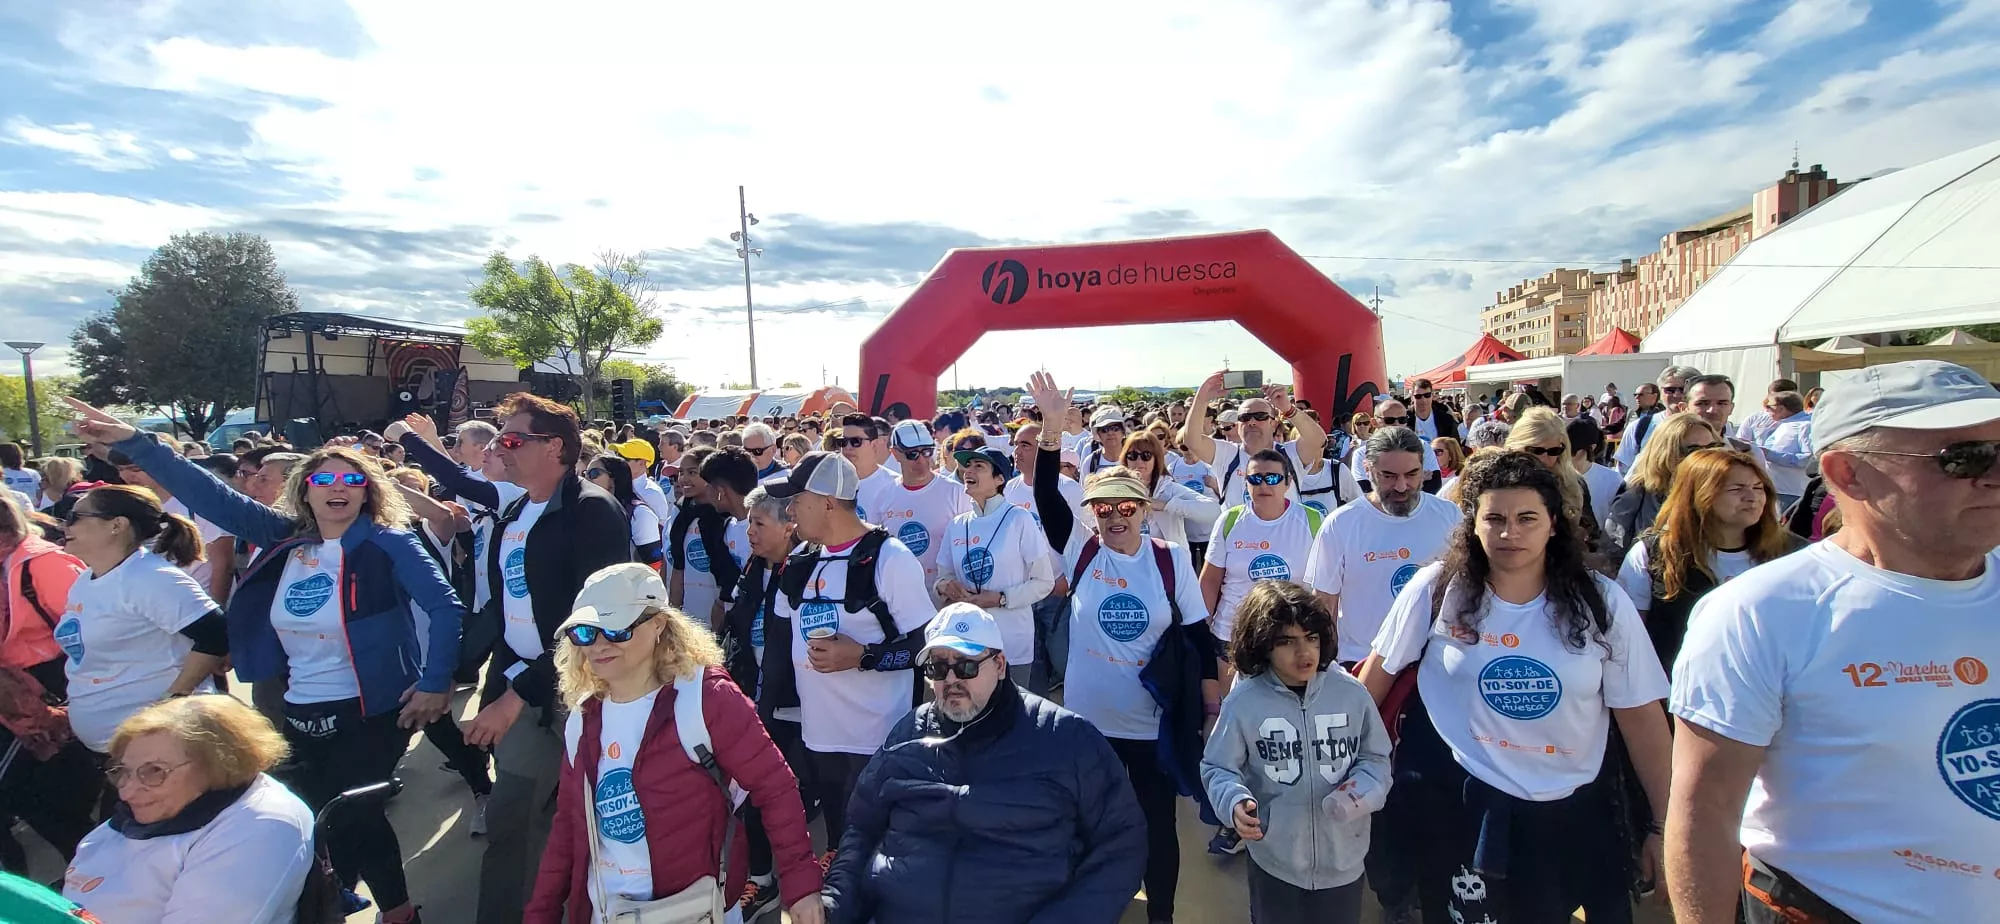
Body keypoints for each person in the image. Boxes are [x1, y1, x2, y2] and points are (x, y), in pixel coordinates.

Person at [75, 408, 466, 924]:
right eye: (323, 478)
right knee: (336, 816)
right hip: (299, 705)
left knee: (345, 815)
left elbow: (445, 607)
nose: (338, 488)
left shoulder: (388, 542)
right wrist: (137, 441)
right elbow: (209, 495)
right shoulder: (285, 536)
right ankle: (370, 904)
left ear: (368, 490)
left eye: (352, 479)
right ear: (305, 490)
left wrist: (435, 683)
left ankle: (362, 907)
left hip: (373, 706)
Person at [1666, 361, 2000, 924]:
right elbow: (1705, 814)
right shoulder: (1760, 611)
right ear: (1848, 474)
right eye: (1964, 459)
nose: (1992, 476)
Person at [1360, 452, 1673, 924]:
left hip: (1572, 814)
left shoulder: (1602, 601)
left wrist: (1663, 826)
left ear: (1554, 523)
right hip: (1459, 808)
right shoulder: (1436, 590)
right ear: (1473, 524)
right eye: (1495, 518)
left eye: (1527, 517)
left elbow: (1643, 721)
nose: (1510, 533)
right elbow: (1371, 689)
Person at [524, 564, 824, 924]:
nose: (599, 645)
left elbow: (775, 786)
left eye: (617, 629)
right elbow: (569, 829)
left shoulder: (707, 698)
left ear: (658, 624)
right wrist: (539, 913)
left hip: (699, 912)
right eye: (584, 632)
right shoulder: (583, 718)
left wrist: (801, 887)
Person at [823, 603, 1145, 923]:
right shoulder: (907, 733)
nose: (951, 680)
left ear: (1001, 665)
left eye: (966, 666)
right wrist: (835, 903)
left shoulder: (1067, 738)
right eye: (937, 668)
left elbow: (1121, 843)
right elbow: (862, 828)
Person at [440, 393, 632, 924]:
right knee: (513, 821)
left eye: (513, 439)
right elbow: (505, 614)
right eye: (501, 437)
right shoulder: (514, 513)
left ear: (556, 448)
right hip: (525, 688)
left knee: (599, 824)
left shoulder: (593, 511)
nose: (501, 448)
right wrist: (460, 675)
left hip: (586, 695)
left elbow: (597, 623)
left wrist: (512, 698)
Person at [1063, 468, 1219, 924]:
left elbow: (1198, 637)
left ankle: (1162, 916)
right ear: (1092, 513)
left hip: (1154, 725)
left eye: (1127, 507)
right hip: (1090, 726)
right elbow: (1050, 504)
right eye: (1103, 507)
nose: (1115, 516)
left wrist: (1210, 710)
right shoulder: (1081, 551)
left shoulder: (1170, 561)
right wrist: (1051, 435)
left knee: (1158, 825)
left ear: (1145, 511)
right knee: (1095, 825)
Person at [764, 451, 933, 860]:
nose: (789, 510)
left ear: (826, 502)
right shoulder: (799, 563)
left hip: (877, 740)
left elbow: (926, 651)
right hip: (818, 737)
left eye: (795, 500)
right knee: (839, 843)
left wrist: (863, 656)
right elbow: (777, 650)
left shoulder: (890, 558)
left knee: (881, 848)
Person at [1202, 582, 1391, 924]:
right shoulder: (1245, 702)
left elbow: (1376, 758)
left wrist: (1364, 789)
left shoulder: (1351, 694)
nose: (1304, 652)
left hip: (1344, 864)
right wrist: (1233, 801)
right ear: (1262, 645)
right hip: (1275, 865)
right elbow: (1218, 767)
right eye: (1286, 641)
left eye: (1312, 638)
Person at [62, 695, 315, 924]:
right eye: (123, 772)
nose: (127, 792)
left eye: (154, 772)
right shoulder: (152, 810)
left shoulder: (261, 823)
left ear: (219, 763)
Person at [55, 485, 227, 754]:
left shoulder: (150, 577)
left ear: (117, 525)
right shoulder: (85, 579)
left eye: (74, 516)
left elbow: (216, 634)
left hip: (160, 749)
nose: (64, 525)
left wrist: (173, 702)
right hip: (111, 747)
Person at [1616, 448, 1801, 674]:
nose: (1752, 498)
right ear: (1699, 493)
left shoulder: (1794, 554)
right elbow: (1628, 639)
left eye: (1758, 488)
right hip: (1678, 692)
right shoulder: (1654, 552)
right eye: (1736, 489)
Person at [1305, 426, 1459, 667]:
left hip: (1434, 661)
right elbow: (1325, 603)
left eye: (1412, 474)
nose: (1401, 486)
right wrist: (1325, 666)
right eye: (1388, 476)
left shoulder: (1449, 515)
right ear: (1367, 469)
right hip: (1361, 661)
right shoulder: (1341, 523)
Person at [936, 447, 1054, 688]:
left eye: (979, 466)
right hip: (967, 642)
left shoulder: (1019, 519)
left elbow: (1044, 582)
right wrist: (946, 587)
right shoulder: (957, 525)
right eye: (967, 466)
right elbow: (942, 577)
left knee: (1012, 717)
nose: (968, 471)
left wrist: (1001, 598)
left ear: (1000, 479)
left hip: (1011, 642)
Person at [1201, 449, 1321, 655]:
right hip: (1232, 635)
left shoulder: (1313, 521)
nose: (1264, 485)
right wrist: (1200, 632)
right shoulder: (1229, 520)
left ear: (1288, 482)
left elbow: (1325, 586)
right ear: (1246, 483)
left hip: (1292, 638)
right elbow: (1210, 580)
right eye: (1255, 478)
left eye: (1273, 478)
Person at [1181, 373, 1331, 508]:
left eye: (1260, 416)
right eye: (1245, 418)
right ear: (1238, 426)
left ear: (1274, 424)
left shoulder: (1289, 453)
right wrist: (1202, 397)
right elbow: (1192, 441)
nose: (1252, 422)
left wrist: (1288, 409)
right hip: (1240, 538)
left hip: (1286, 535)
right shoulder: (1227, 454)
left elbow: (1318, 441)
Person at [1603, 414, 1723, 561]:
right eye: (1693, 449)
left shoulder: (1729, 490)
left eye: (1712, 447)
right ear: (1668, 452)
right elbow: (1613, 550)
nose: (1706, 456)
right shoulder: (1638, 490)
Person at [878, 421, 971, 604]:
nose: (921, 460)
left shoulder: (957, 493)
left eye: (927, 451)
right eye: (912, 454)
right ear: (895, 454)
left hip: (945, 600)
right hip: (901, 601)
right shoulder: (883, 496)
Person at [1118, 429, 1221, 547]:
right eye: (1132, 455)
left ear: (1156, 459)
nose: (1139, 461)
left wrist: (1166, 505)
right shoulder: (1117, 490)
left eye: (1146, 456)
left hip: (1168, 561)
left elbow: (1214, 511)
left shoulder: (1168, 489)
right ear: (1125, 459)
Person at [587, 452, 664, 567]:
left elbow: (654, 564)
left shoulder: (640, 513)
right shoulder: (588, 511)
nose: (587, 479)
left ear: (613, 477)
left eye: (594, 473)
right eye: (585, 474)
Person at [1614, 372, 1689, 472]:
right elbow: (1623, 470)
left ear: (1655, 396)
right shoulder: (1638, 424)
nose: (1677, 394)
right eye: (1670, 390)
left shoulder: (1710, 425)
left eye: (1683, 389)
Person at [1755, 391, 1812, 512]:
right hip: (1774, 489)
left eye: (1769, 407)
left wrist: (1770, 454)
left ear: (1781, 408)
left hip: (1792, 492)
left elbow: (1807, 460)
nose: (1766, 411)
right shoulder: (1781, 425)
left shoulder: (1805, 426)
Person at [839, 414, 899, 524]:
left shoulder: (894, 485)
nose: (847, 447)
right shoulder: (830, 483)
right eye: (843, 442)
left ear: (874, 445)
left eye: (855, 441)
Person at [1568, 417, 1624, 528]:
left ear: (1591, 447)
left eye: (1572, 448)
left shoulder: (1612, 480)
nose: (1565, 453)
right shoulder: (1555, 476)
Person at [1408, 378, 1461, 445]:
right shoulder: (1404, 420)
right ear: (1412, 397)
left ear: (1432, 395)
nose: (1423, 400)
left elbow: (1455, 448)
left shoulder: (1446, 420)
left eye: (1427, 395)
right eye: (1418, 396)